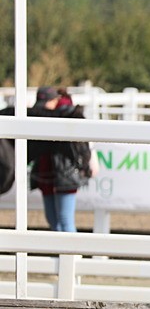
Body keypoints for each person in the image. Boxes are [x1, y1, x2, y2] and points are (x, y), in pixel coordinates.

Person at [28, 86, 93, 232]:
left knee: (64, 219)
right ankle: (60, 254)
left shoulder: (67, 112)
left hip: (65, 171)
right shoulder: (59, 112)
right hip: (48, 171)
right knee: (53, 219)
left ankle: (69, 253)